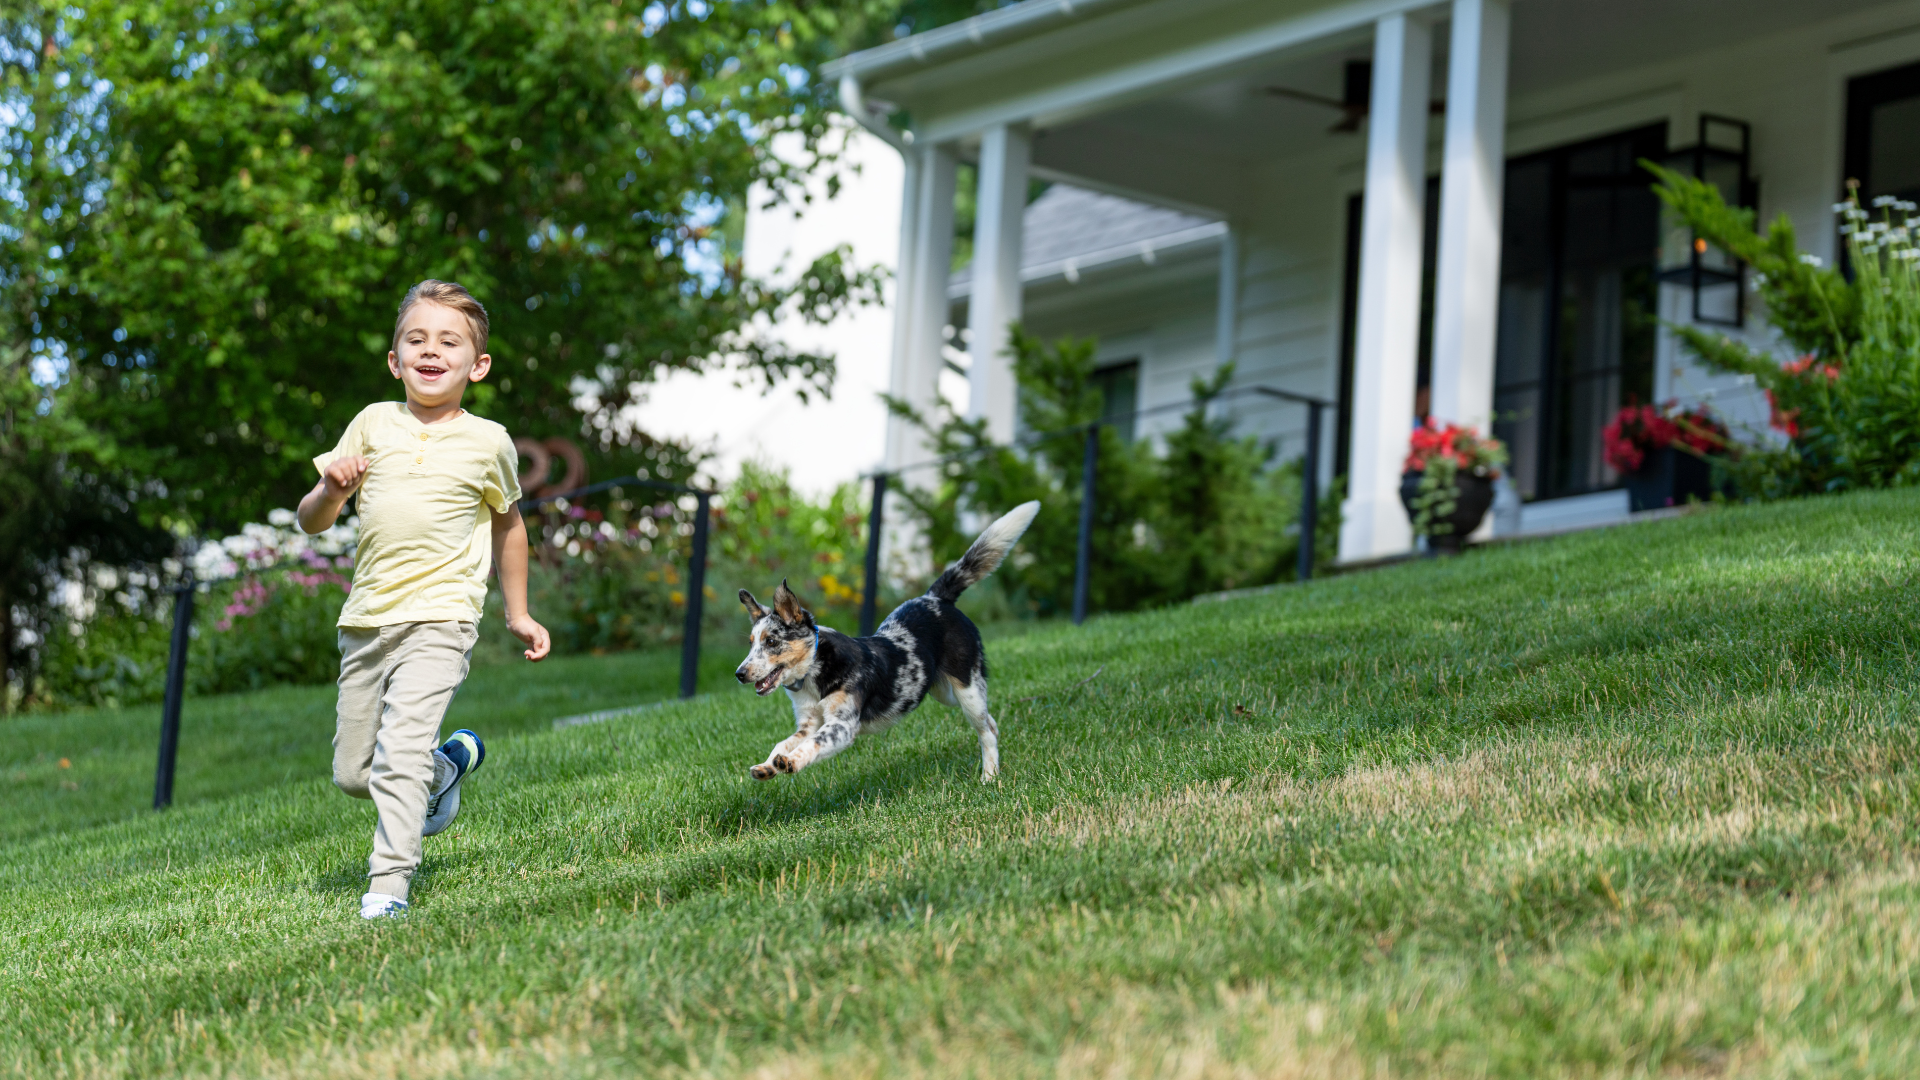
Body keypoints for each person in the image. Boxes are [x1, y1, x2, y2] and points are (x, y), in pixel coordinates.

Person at [297, 279, 551, 920]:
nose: (431, 352)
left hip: (443, 617)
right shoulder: (372, 423)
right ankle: (447, 769)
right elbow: (311, 521)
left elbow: (509, 524)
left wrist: (517, 612)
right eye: (416, 339)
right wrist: (330, 488)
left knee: (398, 756)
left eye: (449, 342)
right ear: (395, 359)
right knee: (356, 774)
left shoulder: (488, 440)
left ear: (478, 364)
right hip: (367, 619)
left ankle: (388, 889)